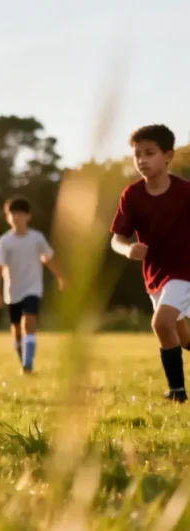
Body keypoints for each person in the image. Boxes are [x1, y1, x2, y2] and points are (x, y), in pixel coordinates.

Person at [110, 124, 190, 402]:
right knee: (181, 336)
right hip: (155, 276)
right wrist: (127, 249)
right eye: (137, 154)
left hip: (184, 272)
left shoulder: (185, 192)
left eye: (150, 153)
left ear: (168, 156)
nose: (142, 160)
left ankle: (177, 393)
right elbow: (116, 239)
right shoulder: (131, 196)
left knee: (161, 322)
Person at [0, 196, 66, 373]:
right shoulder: (4, 241)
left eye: (20, 214)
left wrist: (61, 277)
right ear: (8, 217)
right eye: (12, 214)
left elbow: (48, 259)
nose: (16, 218)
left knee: (29, 324)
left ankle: (28, 364)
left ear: (28, 216)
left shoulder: (37, 238)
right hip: (12, 291)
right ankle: (22, 357)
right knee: (16, 330)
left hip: (33, 288)